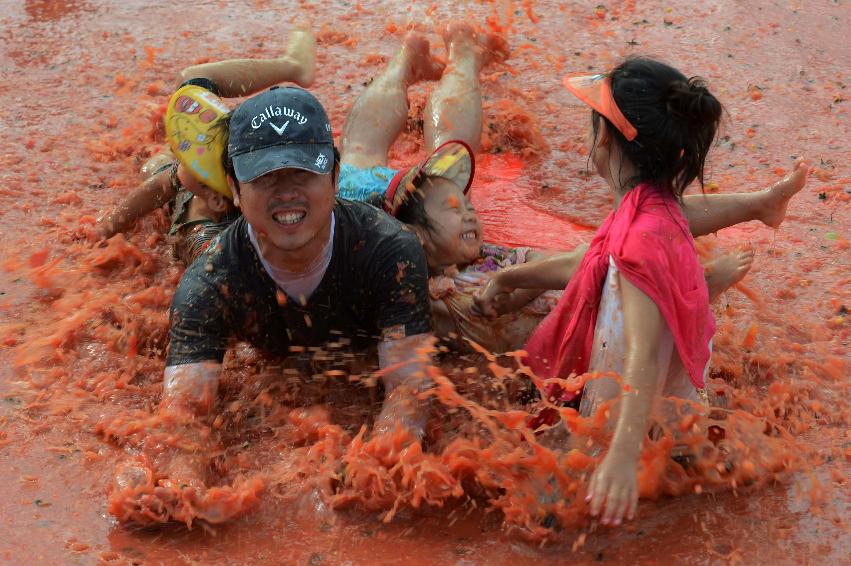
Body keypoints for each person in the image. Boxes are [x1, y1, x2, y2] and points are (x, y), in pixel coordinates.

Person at [475, 58, 810, 526]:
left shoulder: (639, 244)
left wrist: (621, 454)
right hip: (662, 393)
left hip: (629, 405)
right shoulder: (651, 208)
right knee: (687, 445)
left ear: (605, 141)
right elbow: (587, 261)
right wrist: (510, 278)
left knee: (544, 511)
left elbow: (644, 353)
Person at [339, 26, 807, 356]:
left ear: (604, 141)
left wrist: (516, 276)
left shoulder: (467, 248)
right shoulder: (417, 282)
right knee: (377, 153)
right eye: (456, 207)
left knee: (385, 152)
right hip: (378, 212)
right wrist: (519, 280)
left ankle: (430, 57)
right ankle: (435, 55)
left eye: (466, 202)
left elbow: (579, 263)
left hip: (418, 222)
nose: (471, 213)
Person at [111, 85, 436, 526]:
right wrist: (181, 486)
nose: (286, 193)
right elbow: (185, 414)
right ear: (236, 189)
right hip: (220, 241)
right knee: (191, 231)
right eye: (265, 177)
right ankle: (174, 179)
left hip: (358, 247)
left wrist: (382, 460)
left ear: (334, 177)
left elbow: (408, 389)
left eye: (302, 173)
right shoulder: (209, 282)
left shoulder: (389, 253)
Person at [93, 29, 316, 265]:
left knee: (153, 167)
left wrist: (103, 229)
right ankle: (292, 66)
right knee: (189, 82)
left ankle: (291, 66)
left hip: (189, 205)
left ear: (216, 199)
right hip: (214, 182)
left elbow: (155, 188)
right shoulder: (208, 179)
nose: (184, 161)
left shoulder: (203, 240)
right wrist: (107, 226)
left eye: (188, 158)